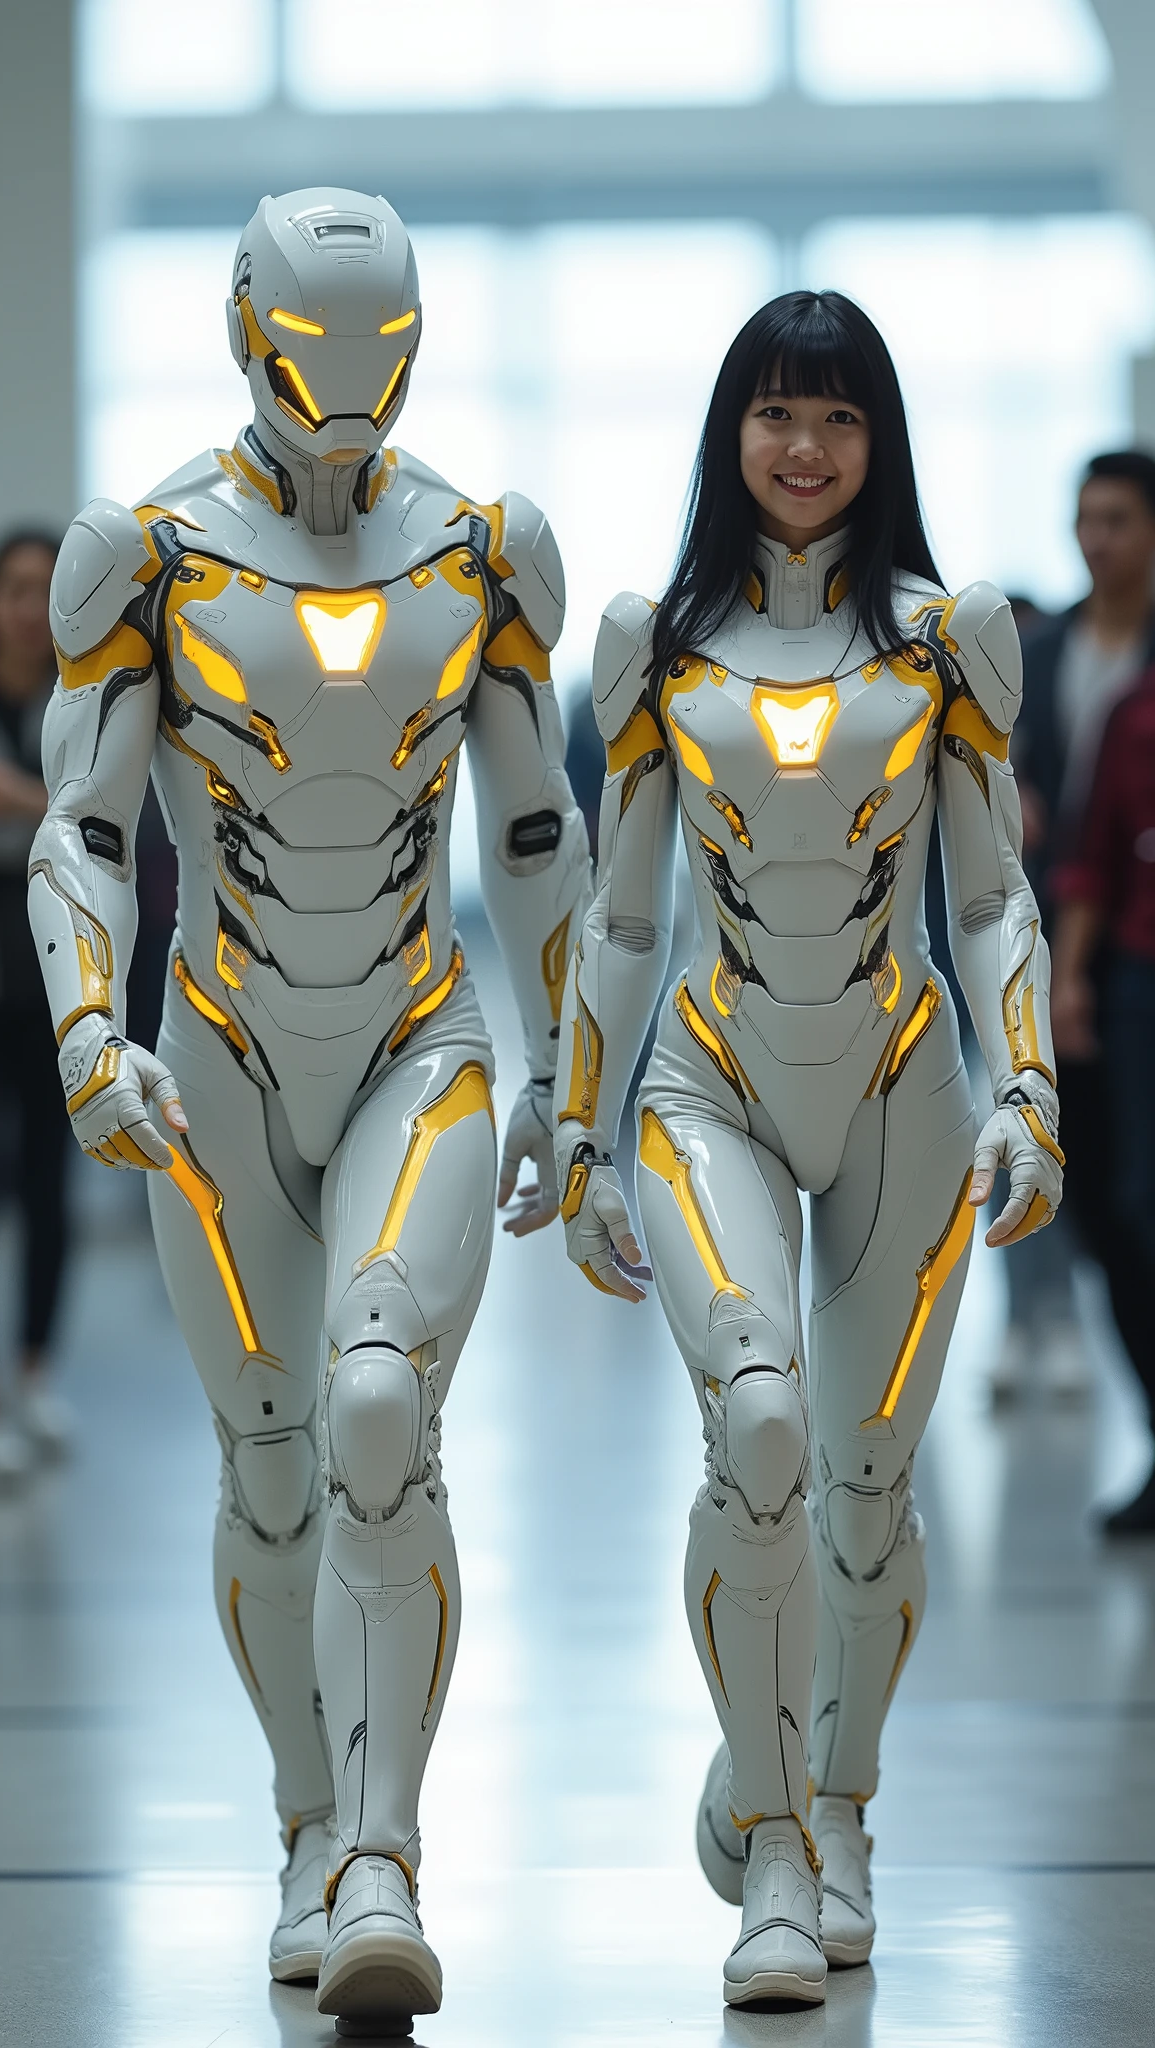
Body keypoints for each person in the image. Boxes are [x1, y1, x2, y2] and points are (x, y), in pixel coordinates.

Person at [28, 188, 589, 2032]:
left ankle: (379, 1850)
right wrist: (85, 1030)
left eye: (378, 342)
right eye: (312, 340)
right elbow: (90, 827)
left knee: (371, 1400)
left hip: (421, 1041)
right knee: (269, 1459)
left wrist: (570, 1080)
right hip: (212, 1057)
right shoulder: (152, 551)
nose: (344, 385)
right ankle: (299, 1822)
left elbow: (527, 833)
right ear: (246, 326)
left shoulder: (484, 550)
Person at [553, 291, 1063, 2006]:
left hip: (905, 1086)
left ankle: (837, 1807)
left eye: (837, 418)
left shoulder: (943, 637)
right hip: (702, 1084)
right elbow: (617, 917)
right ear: (729, 429)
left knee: (861, 1489)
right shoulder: (653, 643)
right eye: (775, 412)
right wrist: (579, 1129)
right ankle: (766, 1844)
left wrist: (1023, 1087)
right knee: (756, 1424)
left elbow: (985, 891)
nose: (802, 448)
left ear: (879, 441)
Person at [1003, 452, 1155, 1407]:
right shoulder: (1046, 648)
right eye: (1084, 519)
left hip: (1129, 939)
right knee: (1062, 1158)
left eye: (1118, 520)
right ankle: (1048, 1327)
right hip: (1052, 934)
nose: (1096, 539)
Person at [0, 529, 72, 1481]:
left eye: (44, 591)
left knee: (48, 1184)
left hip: (55, 982)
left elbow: (110, 831)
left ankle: (36, 1374)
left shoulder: (81, 706)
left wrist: (22, 802)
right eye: (12, 588)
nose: (26, 607)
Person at [1051, 661, 1155, 1531]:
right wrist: (1070, 976)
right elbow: (1091, 854)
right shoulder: (1131, 709)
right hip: (1140, 982)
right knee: (1129, 1211)